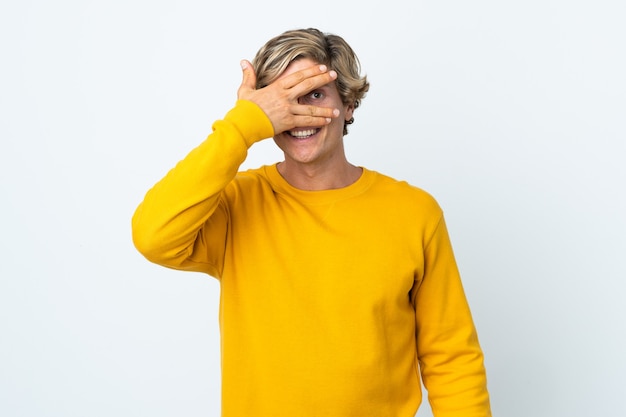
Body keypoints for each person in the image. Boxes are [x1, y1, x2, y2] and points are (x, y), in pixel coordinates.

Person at [132, 28, 491, 417]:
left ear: (349, 103)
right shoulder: (236, 205)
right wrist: (242, 125)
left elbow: (452, 358)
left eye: (314, 95)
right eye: (283, 99)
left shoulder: (414, 212)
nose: (298, 113)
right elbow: (153, 235)